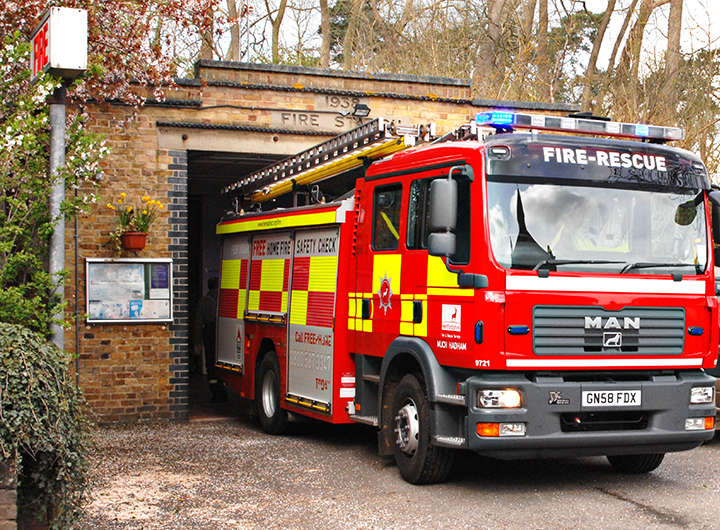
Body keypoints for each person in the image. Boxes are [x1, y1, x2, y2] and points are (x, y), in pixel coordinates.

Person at [194, 277, 227, 403]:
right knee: (223, 361)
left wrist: (197, 343)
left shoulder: (204, 301)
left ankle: (215, 392)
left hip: (209, 333)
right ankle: (223, 390)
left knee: (210, 362)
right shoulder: (224, 300)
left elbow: (198, 324)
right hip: (223, 332)